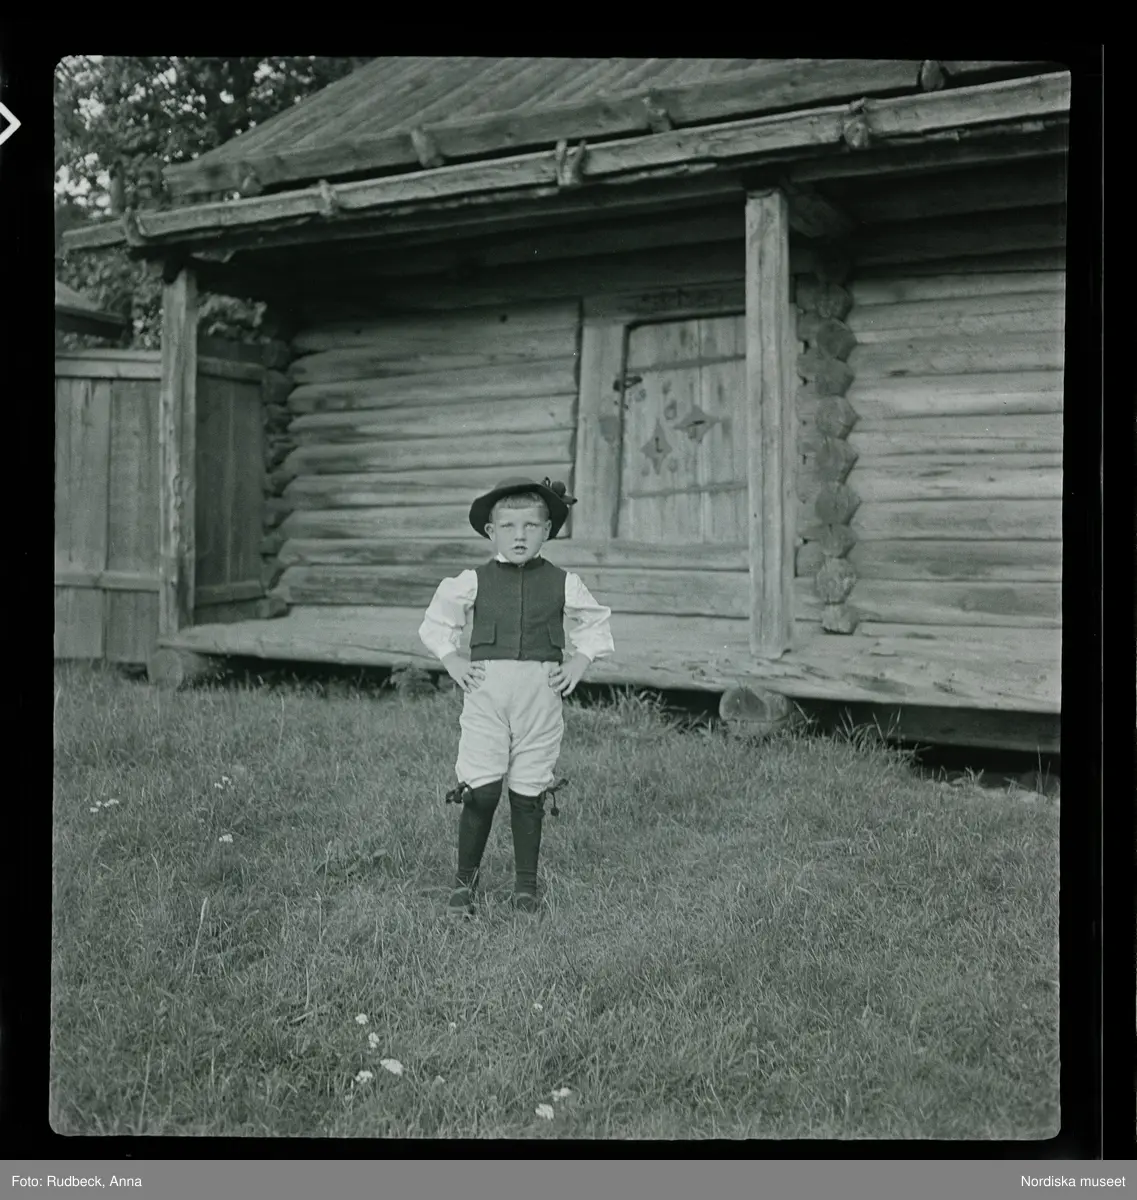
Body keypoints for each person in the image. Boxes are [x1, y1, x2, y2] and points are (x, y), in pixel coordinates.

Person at [418, 476, 614, 916]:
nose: (519, 535)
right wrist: (453, 660)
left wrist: (579, 662)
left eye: (531, 526)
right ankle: (463, 885)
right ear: (491, 532)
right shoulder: (473, 581)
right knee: (482, 791)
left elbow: (596, 623)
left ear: (548, 531)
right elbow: (437, 622)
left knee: (529, 791)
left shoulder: (564, 583)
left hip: (540, 699)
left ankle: (526, 888)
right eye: (508, 526)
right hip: (487, 696)